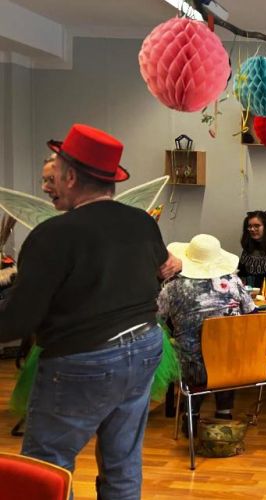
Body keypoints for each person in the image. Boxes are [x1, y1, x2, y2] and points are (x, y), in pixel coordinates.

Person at [0, 123, 171, 498]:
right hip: (145, 345)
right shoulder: (142, 221)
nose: (48, 186)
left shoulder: (53, 235)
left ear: (71, 177)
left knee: (46, 467)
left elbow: (19, 320)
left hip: (84, 359)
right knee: (122, 462)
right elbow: (162, 269)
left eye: (55, 176)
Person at [157, 234, 256, 428]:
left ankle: (191, 415)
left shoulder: (173, 287)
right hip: (232, 365)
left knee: (192, 355)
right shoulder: (233, 282)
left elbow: (157, 317)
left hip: (192, 365)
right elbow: (252, 313)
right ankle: (224, 414)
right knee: (226, 352)